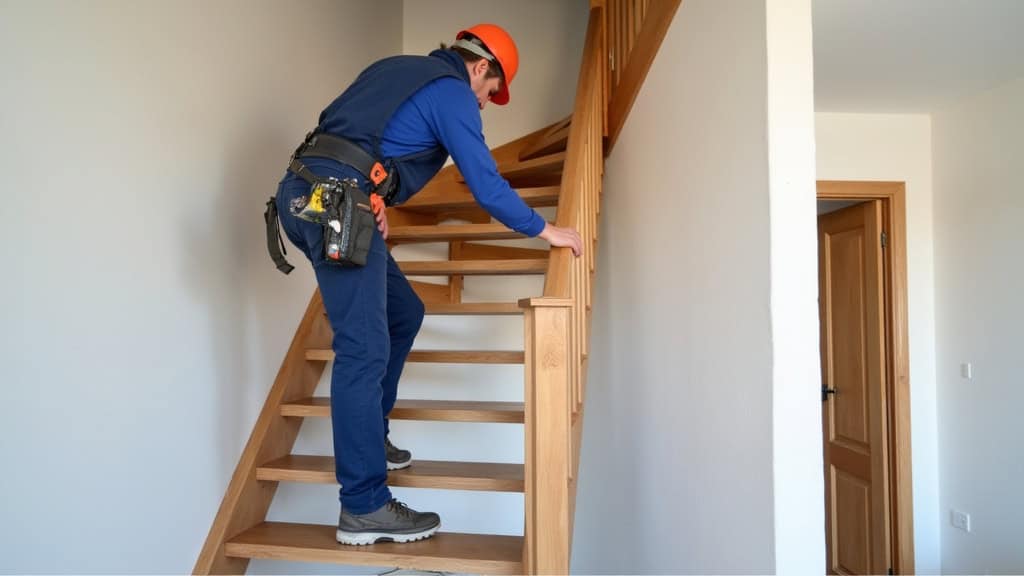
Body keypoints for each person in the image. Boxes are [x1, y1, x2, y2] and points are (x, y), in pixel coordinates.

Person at [272, 23, 582, 546]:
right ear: (480, 67)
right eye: (489, 92)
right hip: (336, 201)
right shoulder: (451, 91)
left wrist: (372, 194)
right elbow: (484, 181)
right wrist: (544, 228)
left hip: (308, 195)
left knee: (403, 313)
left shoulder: (395, 70)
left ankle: (374, 434)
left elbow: (345, 129)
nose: (483, 104)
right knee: (364, 347)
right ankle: (365, 507)